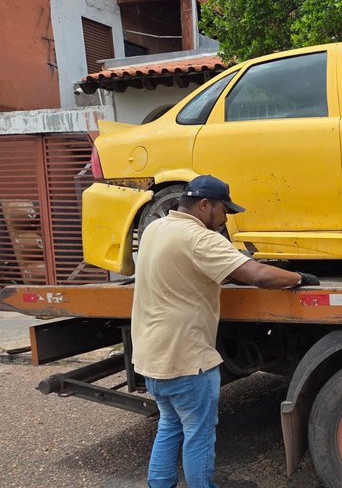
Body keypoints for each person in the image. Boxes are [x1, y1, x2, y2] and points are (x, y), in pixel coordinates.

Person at [130, 175, 319, 488]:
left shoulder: (155, 229)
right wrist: (298, 278)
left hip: (153, 358)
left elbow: (188, 269)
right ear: (205, 205)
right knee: (199, 435)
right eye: (224, 211)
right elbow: (256, 273)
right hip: (187, 361)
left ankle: (160, 485)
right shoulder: (200, 239)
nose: (225, 219)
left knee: (170, 425)